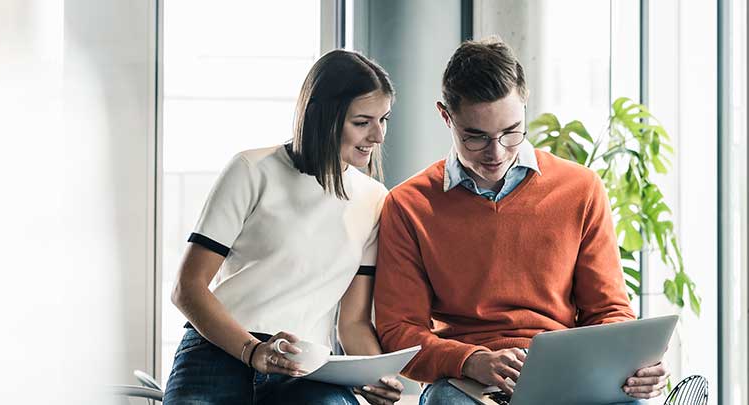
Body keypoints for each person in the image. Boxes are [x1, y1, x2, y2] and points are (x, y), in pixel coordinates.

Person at [373, 37, 669, 404]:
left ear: (524, 104)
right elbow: (399, 332)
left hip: (569, 373)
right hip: (466, 383)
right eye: (475, 138)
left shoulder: (581, 188)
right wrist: (471, 360)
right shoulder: (408, 206)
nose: (496, 152)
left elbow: (608, 310)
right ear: (446, 116)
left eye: (511, 131)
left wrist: (634, 363)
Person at [163, 49, 405, 405]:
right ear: (324, 116)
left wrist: (376, 376)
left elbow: (352, 323)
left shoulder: (374, 199)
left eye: (384, 119)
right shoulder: (251, 169)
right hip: (218, 349)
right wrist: (252, 350)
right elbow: (187, 287)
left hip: (307, 366)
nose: (378, 135)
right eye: (362, 122)